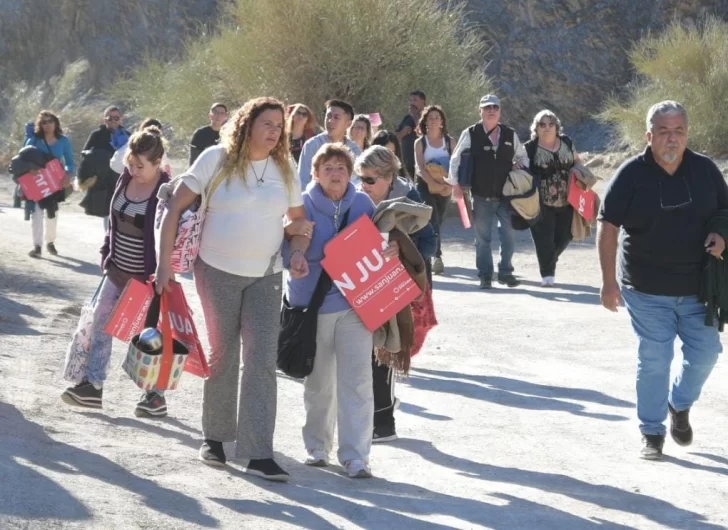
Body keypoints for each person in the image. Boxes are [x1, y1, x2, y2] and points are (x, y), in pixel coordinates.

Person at [156, 97, 310, 482]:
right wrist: (163, 266)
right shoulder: (215, 158)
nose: (275, 131)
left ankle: (259, 452)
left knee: (261, 360)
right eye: (268, 124)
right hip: (216, 270)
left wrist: (298, 252)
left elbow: (297, 219)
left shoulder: (284, 166)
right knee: (224, 353)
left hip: (266, 274)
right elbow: (175, 208)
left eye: (280, 126)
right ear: (247, 124)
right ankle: (215, 438)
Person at [598, 100, 728, 460]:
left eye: (679, 131)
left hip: (698, 287)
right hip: (645, 287)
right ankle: (651, 432)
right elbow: (608, 227)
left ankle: (679, 404)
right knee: (654, 357)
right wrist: (608, 282)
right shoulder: (630, 174)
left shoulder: (705, 171)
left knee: (706, 354)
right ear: (649, 135)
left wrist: (722, 237)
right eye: (664, 132)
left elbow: (725, 212)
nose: (672, 139)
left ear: (688, 134)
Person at [283, 143, 399, 478]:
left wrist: (389, 250)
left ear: (350, 174)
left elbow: (378, 245)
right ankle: (317, 447)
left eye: (342, 167)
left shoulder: (363, 202)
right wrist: (295, 258)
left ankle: (356, 456)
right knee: (319, 383)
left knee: (358, 381)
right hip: (312, 307)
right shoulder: (302, 204)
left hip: (355, 306)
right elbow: (285, 242)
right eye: (328, 167)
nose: (336, 173)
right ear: (316, 173)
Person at [61, 126, 171, 416]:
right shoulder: (125, 177)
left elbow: (167, 235)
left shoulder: (166, 190)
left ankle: (155, 396)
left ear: (157, 163)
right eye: (131, 164)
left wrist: (161, 273)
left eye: (140, 166)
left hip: (143, 280)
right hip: (116, 269)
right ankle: (93, 387)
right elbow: (114, 219)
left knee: (146, 337)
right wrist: (106, 254)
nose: (134, 170)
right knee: (100, 323)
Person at [357, 145, 437, 443]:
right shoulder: (356, 198)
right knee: (363, 353)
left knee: (386, 352)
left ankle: (384, 423)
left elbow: (430, 244)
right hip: (364, 282)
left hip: (396, 287)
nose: (363, 185)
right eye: (361, 177)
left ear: (389, 177)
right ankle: (376, 413)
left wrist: (399, 244)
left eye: (370, 179)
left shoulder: (409, 198)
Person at [447, 94, 529, 289]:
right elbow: (455, 159)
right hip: (481, 195)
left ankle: (505, 273)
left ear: (500, 111)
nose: (491, 110)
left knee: (509, 235)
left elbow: (523, 157)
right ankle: (485, 275)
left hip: (507, 196)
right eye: (487, 107)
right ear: (480, 111)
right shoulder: (471, 133)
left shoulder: (510, 134)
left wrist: (520, 166)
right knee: (483, 239)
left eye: (495, 107)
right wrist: (455, 184)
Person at [524, 110, 581, 287]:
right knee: (544, 238)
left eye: (551, 124)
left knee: (566, 235)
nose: (547, 128)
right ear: (536, 128)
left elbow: (577, 161)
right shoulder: (530, 148)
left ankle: (550, 259)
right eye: (543, 124)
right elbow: (521, 169)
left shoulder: (567, 142)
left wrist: (580, 171)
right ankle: (547, 275)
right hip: (541, 201)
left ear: (557, 127)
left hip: (567, 198)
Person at [24, 110, 75, 258]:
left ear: (56, 122)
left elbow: (71, 163)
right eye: (44, 122)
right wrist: (30, 169)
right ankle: (37, 246)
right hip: (37, 180)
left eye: (50, 121)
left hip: (55, 181)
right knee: (37, 213)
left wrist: (68, 175)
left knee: (52, 213)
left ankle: (50, 242)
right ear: (40, 125)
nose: (47, 125)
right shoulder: (34, 140)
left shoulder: (63, 140)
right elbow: (23, 157)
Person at [414, 105, 456, 275]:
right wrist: (433, 184)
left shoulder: (450, 141)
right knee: (432, 217)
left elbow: (456, 165)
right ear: (425, 121)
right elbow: (419, 168)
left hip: (445, 184)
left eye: (437, 117)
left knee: (438, 220)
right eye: (430, 117)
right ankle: (436, 257)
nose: (433, 121)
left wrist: (450, 185)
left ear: (442, 121)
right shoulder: (420, 142)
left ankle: (429, 252)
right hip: (425, 184)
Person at [82, 106, 130, 231]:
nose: (113, 121)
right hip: (103, 180)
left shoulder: (128, 136)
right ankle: (109, 242)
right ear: (105, 120)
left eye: (116, 118)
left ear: (121, 119)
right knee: (107, 213)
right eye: (110, 118)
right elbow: (85, 153)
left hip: (122, 180)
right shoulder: (97, 135)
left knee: (122, 213)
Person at [297, 100, 361, 189]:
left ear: (348, 124)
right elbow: (302, 181)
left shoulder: (354, 150)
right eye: (328, 116)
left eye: (336, 117)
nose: (330, 121)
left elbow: (359, 181)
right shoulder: (312, 145)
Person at [396, 90, 427, 179]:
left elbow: (424, 134)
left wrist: (414, 116)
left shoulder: (429, 118)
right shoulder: (407, 118)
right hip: (406, 163)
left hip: (422, 165)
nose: (412, 103)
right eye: (410, 101)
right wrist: (403, 132)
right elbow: (396, 137)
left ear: (423, 102)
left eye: (415, 100)